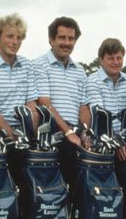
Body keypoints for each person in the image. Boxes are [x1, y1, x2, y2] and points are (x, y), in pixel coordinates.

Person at [33, 16, 89, 176]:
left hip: (74, 134)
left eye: (71, 38)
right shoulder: (39, 65)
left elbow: (83, 107)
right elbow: (44, 103)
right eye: (62, 38)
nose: (67, 43)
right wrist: (68, 133)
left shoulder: (80, 70)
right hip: (51, 133)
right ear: (51, 40)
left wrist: (85, 132)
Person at [0, 13, 38, 138]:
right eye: (10, 36)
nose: (15, 42)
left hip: (23, 130)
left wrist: (29, 133)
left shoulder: (27, 65)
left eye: (19, 38)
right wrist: (12, 136)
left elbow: (32, 104)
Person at [85, 38, 126, 160]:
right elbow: (99, 114)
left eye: (119, 58)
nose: (116, 62)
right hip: (102, 139)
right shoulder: (93, 80)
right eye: (111, 58)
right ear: (101, 60)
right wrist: (116, 142)